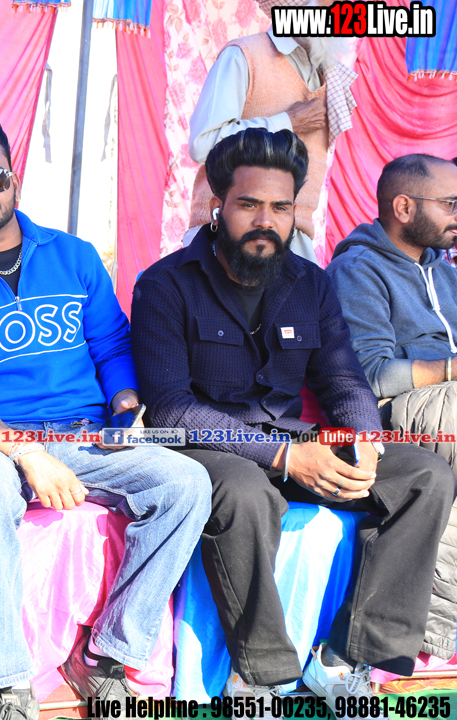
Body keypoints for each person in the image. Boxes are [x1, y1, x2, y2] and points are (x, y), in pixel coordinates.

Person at [0, 111, 211, 719]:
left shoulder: (73, 256)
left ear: (14, 180)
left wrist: (125, 404)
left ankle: (108, 655)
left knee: (186, 483)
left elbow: (112, 346)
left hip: (83, 434)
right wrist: (25, 451)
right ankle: (8, 682)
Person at [132, 128, 455, 710]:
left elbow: (344, 379)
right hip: (205, 446)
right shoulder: (164, 284)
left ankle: (347, 658)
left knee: (425, 474)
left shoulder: (311, 284)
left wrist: (364, 440)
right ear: (218, 206)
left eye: (281, 207)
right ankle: (260, 676)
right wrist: (284, 456)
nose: (266, 221)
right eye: (250, 204)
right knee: (243, 491)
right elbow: (171, 408)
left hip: (292, 441)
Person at [327, 153, 457, 661]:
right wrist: (450, 369)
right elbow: (369, 375)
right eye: (450, 204)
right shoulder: (358, 269)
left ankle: (436, 632)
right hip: (387, 415)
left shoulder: (444, 272)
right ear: (404, 207)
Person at [186, 0, 357, 264]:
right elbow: (203, 144)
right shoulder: (244, 56)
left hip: (295, 243)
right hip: (229, 238)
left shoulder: (330, 75)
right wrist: (287, 122)